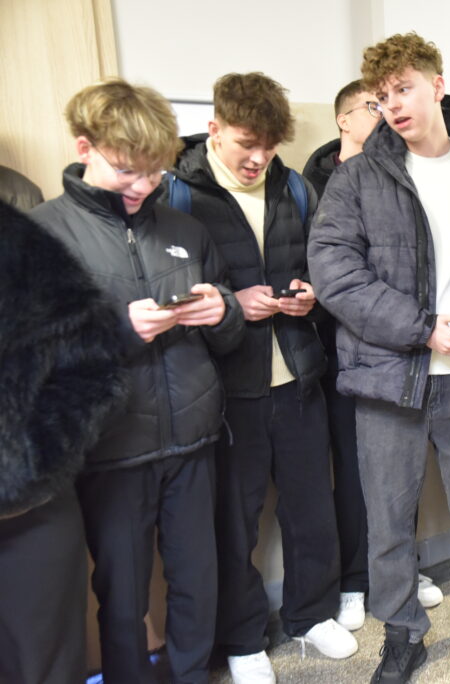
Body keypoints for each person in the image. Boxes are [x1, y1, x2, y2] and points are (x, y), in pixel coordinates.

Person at [308, 32, 450, 683]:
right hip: (389, 378)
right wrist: (421, 329)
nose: (393, 105)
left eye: (404, 89)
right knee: (388, 520)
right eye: (382, 97)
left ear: (437, 85)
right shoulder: (357, 177)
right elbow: (334, 273)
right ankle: (402, 633)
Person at [30, 78, 245, 684]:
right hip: (111, 450)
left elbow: (229, 336)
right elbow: (31, 361)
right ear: (84, 148)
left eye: (154, 172)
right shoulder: (42, 234)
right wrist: (118, 332)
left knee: (198, 582)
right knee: (122, 601)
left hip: (194, 440)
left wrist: (222, 310)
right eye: (128, 171)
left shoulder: (184, 228)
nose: (144, 186)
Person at [167, 72, 355, 682]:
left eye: (270, 147)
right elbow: (168, 293)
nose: (258, 158)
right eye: (247, 143)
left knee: (311, 509)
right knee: (234, 523)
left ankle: (311, 614)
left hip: (298, 376)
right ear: (215, 129)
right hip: (225, 389)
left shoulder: (295, 187)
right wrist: (230, 303)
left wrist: (311, 294)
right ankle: (243, 638)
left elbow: (327, 263)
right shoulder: (178, 193)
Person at [303, 79, 445, 633]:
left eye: (388, 103)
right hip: (340, 348)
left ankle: (402, 571)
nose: (385, 113)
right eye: (372, 105)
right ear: (344, 119)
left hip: (404, 343)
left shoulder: (406, 171)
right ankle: (355, 580)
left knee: (401, 471)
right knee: (355, 470)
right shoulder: (314, 184)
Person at [0, 200, 126, 684]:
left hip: (27, 513)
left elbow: (92, 366)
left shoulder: (19, 242)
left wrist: (29, 464)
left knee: (45, 665)